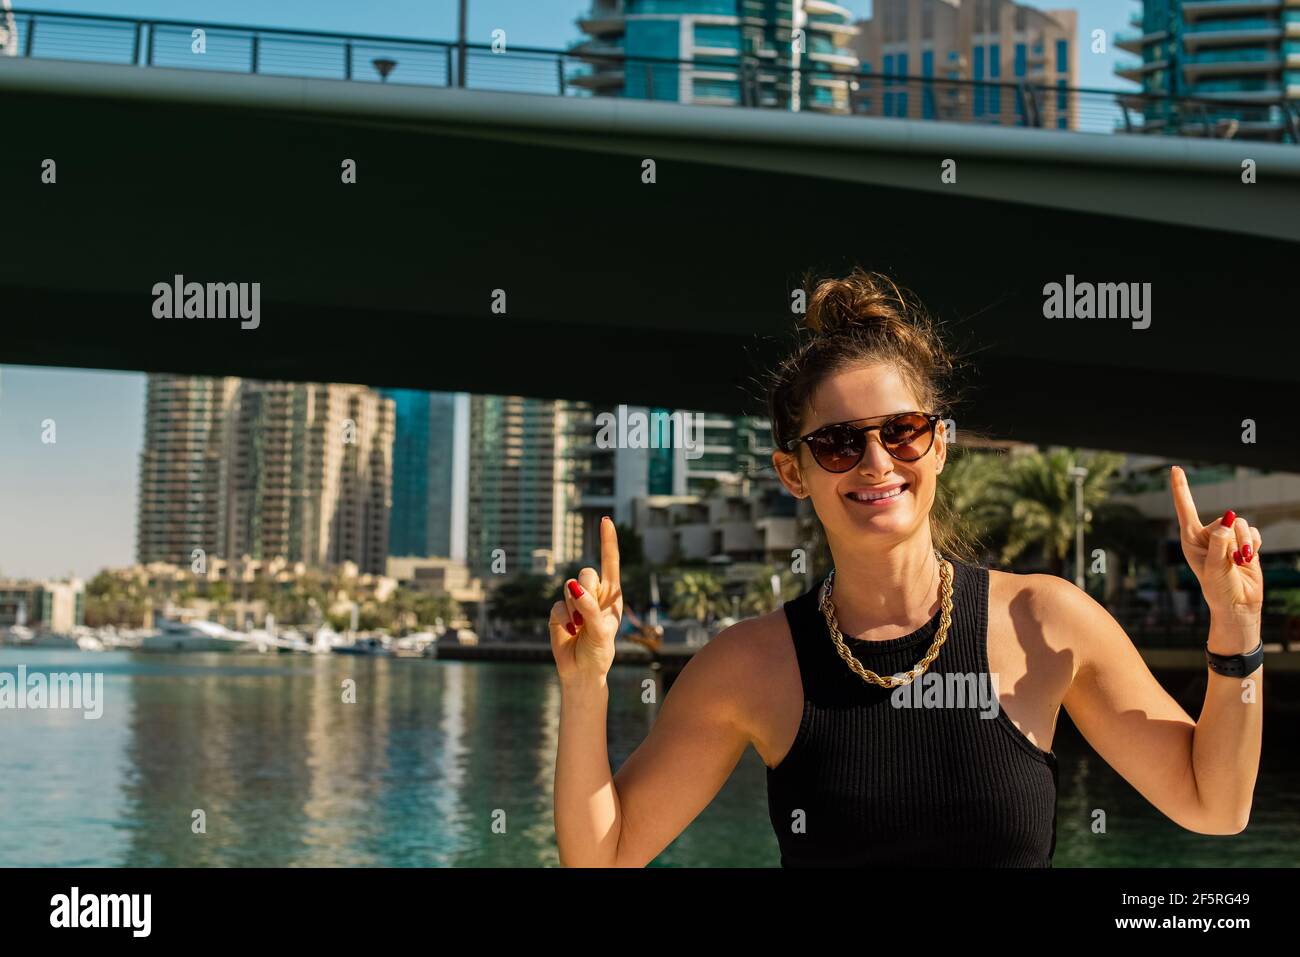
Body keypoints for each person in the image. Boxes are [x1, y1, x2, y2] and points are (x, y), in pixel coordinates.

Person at [549, 268, 1264, 867]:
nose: (877, 462)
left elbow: (1216, 803)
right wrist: (584, 688)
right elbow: (605, 854)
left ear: (940, 444)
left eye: (903, 430)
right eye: (837, 442)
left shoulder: (1045, 622)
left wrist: (1236, 626)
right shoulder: (749, 665)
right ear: (792, 472)